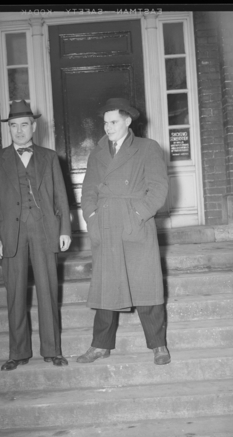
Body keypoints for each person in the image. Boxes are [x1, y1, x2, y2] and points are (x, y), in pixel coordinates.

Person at [77, 97, 171, 366]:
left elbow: (159, 188)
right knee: (107, 285)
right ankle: (100, 345)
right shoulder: (98, 152)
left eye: (113, 122)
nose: (107, 127)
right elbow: (88, 190)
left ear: (128, 121)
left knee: (146, 283)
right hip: (105, 222)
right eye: (105, 123)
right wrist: (91, 217)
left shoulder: (147, 148)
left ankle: (158, 345)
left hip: (135, 222)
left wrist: (139, 215)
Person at [0, 100, 71, 371]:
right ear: (9, 129)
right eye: (13, 126)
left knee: (48, 291)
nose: (19, 131)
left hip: (45, 231)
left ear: (33, 126)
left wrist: (65, 230)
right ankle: (18, 352)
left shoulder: (49, 157)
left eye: (24, 125)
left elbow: (61, 197)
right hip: (11, 234)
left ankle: (52, 350)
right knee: (15, 294)